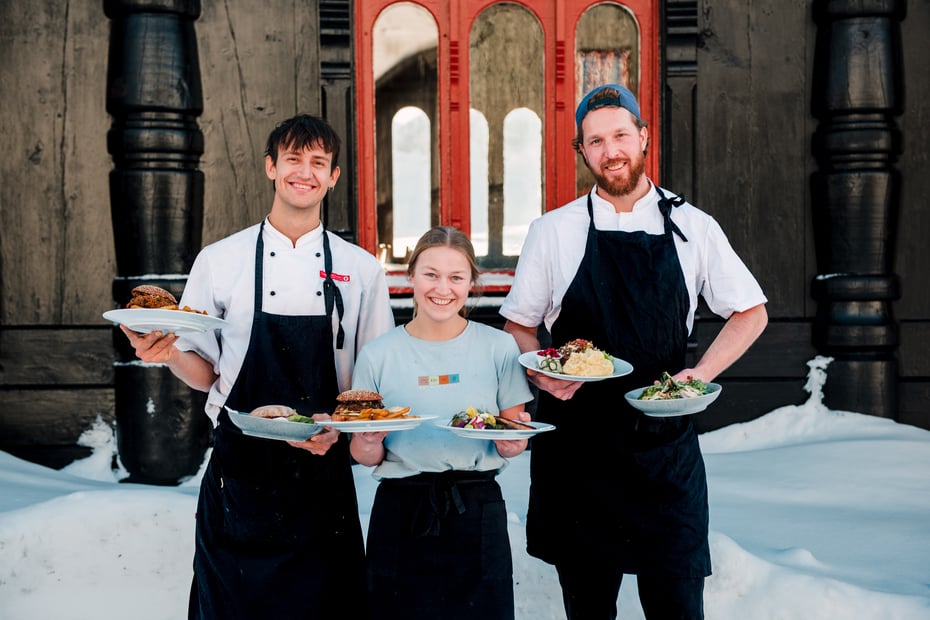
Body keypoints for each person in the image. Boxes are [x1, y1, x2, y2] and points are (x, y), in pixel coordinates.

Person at [500, 84, 769, 620]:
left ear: (643, 136)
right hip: (578, 453)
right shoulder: (553, 231)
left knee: (676, 606)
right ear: (582, 152)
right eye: (595, 141)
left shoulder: (694, 226)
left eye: (621, 134)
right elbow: (518, 327)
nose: (611, 150)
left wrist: (697, 375)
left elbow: (750, 313)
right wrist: (543, 377)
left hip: (663, 453)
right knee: (589, 609)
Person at [119, 114, 395, 619]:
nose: (304, 172)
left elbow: (372, 387)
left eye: (318, 163)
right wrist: (170, 354)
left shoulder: (362, 269)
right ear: (271, 167)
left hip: (321, 470)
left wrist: (336, 430)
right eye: (293, 159)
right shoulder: (220, 260)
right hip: (239, 475)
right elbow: (207, 372)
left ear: (333, 176)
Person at [349, 226, 534, 620]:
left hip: (476, 511)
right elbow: (365, 455)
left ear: (471, 284)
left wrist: (512, 443)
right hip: (400, 512)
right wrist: (368, 440)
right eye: (431, 274)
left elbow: (513, 433)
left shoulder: (498, 347)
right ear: (410, 275)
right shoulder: (377, 354)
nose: (442, 288)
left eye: (456, 277)